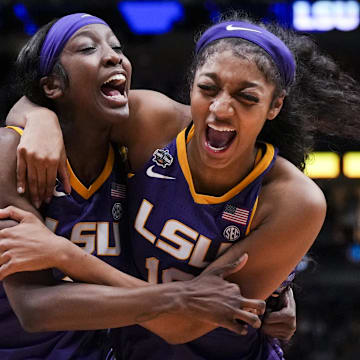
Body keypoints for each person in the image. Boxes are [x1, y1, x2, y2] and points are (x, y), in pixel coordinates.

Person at [8, 9, 360, 359]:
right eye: (208, 88)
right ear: (190, 87)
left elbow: (183, 324)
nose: (221, 109)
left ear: (274, 105)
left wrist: (64, 254)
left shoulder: (296, 199)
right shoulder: (150, 121)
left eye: (247, 97)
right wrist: (37, 117)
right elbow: (72, 105)